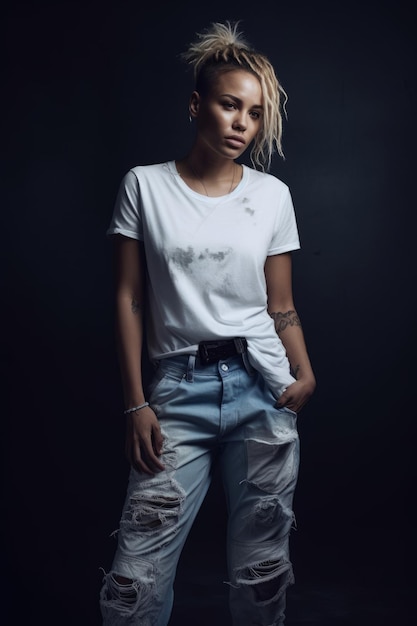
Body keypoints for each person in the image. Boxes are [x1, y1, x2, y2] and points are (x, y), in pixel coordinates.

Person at [100, 20, 316, 626]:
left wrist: (304, 372)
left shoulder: (272, 195)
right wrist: (135, 403)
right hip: (176, 389)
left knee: (262, 573)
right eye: (229, 105)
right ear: (198, 105)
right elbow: (128, 298)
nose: (242, 123)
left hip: (264, 387)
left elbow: (280, 305)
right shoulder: (145, 187)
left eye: (253, 112)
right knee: (133, 586)